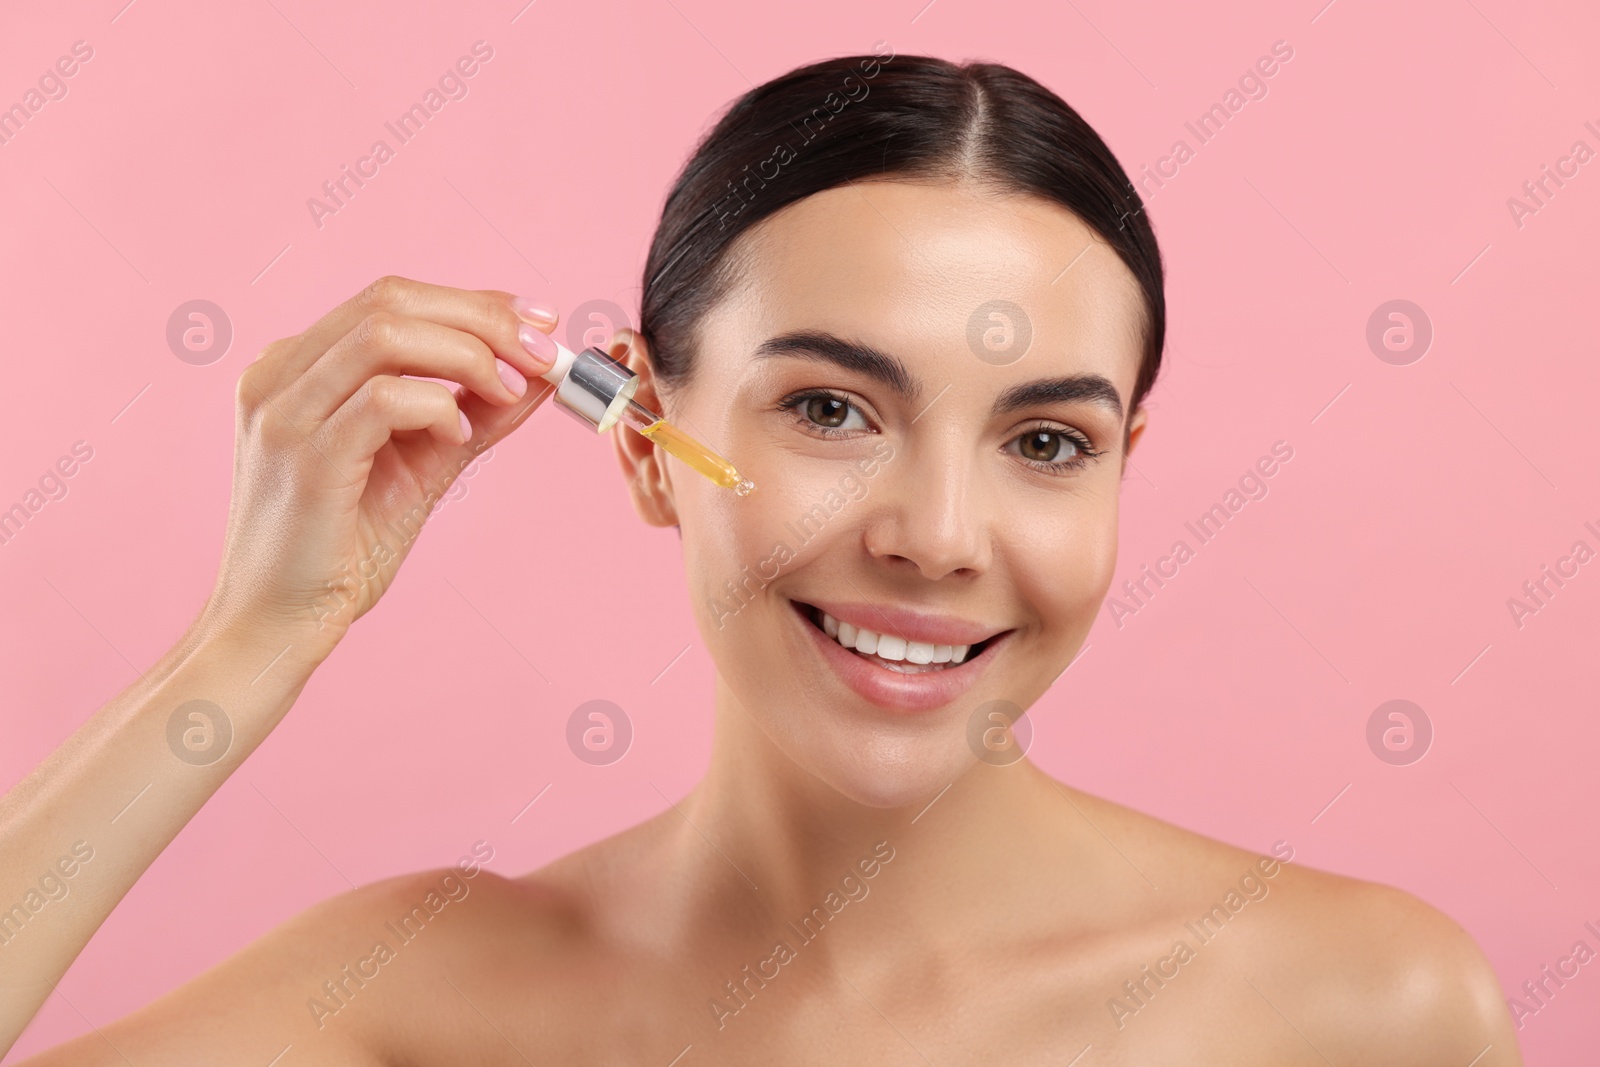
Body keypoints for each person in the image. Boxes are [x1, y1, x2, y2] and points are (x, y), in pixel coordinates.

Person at [1, 51, 1520, 1064]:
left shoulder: (1366, 1005)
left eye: (1047, 440)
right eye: (830, 409)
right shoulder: (415, 998)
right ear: (647, 438)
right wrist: (249, 641)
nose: (935, 537)